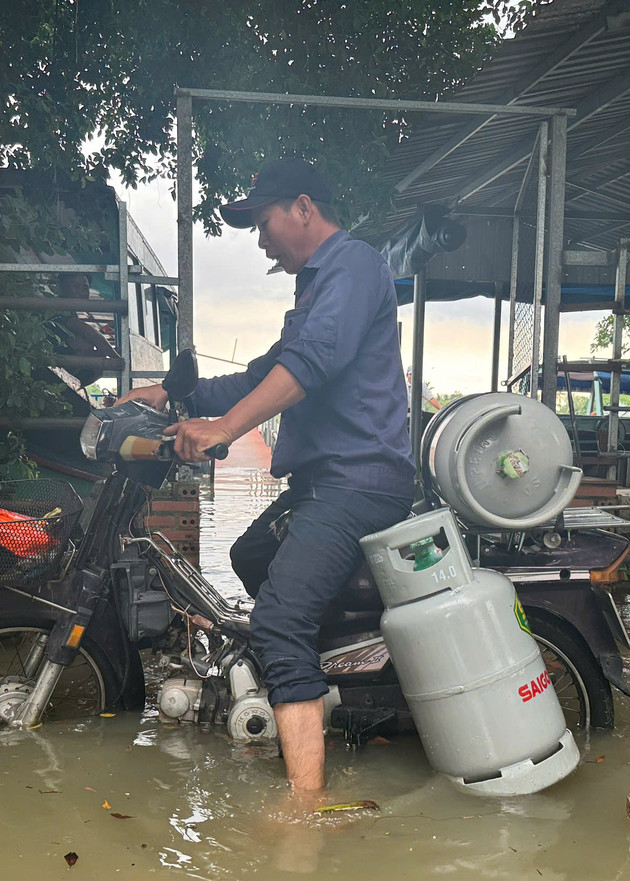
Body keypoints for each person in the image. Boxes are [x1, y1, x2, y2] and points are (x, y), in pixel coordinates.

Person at [121, 158, 414, 795]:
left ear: (304, 207)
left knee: (279, 622)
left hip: (358, 482)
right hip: (323, 486)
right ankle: (330, 686)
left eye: (263, 221)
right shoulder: (314, 291)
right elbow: (259, 374)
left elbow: (310, 363)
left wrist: (226, 429)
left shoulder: (353, 266)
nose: (259, 239)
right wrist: (174, 397)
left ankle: (302, 810)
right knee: (251, 555)